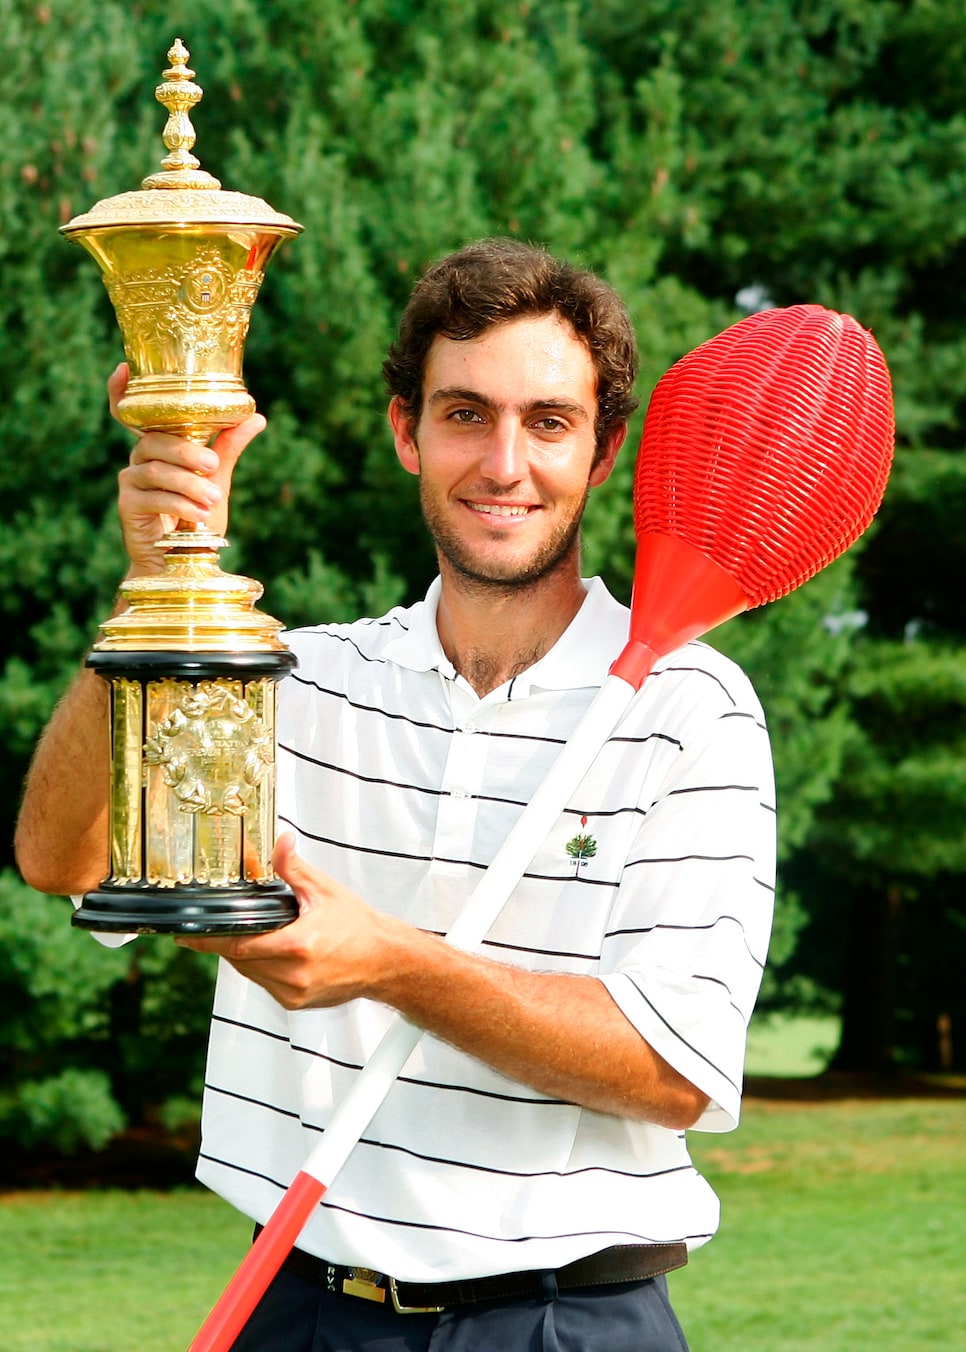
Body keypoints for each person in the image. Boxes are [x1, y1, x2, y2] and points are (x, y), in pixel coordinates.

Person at [15, 238, 776, 1351]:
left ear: (605, 450)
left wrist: (394, 961)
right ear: (404, 433)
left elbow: (670, 1066)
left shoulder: (694, 707)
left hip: (566, 1321)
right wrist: (155, 578)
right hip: (304, 1305)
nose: (505, 462)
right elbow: (62, 855)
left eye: (548, 422)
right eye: (465, 414)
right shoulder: (295, 676)